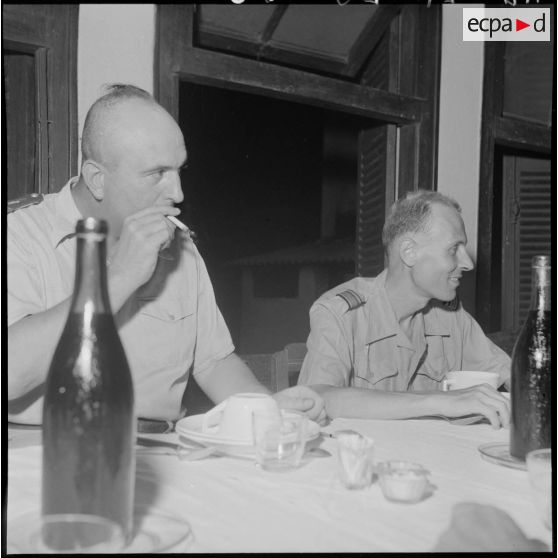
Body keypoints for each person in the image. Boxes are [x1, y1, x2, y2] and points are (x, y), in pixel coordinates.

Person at [8, 84, 325, 427]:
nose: (177, 193)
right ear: (97, 179)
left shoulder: (181, 248)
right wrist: (119, 278)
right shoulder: (20, 235)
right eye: (157, 173)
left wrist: (267, 410)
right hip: (43, 452)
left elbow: (214, 363)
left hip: (162, 450)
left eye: (179, 171)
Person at [298, 190, 510, 428]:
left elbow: (510, 373)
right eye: (453, 249)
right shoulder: (340, 313)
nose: (468, 263)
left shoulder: (451, 315)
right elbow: (318, 398)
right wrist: (441, 401)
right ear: (409, 252)